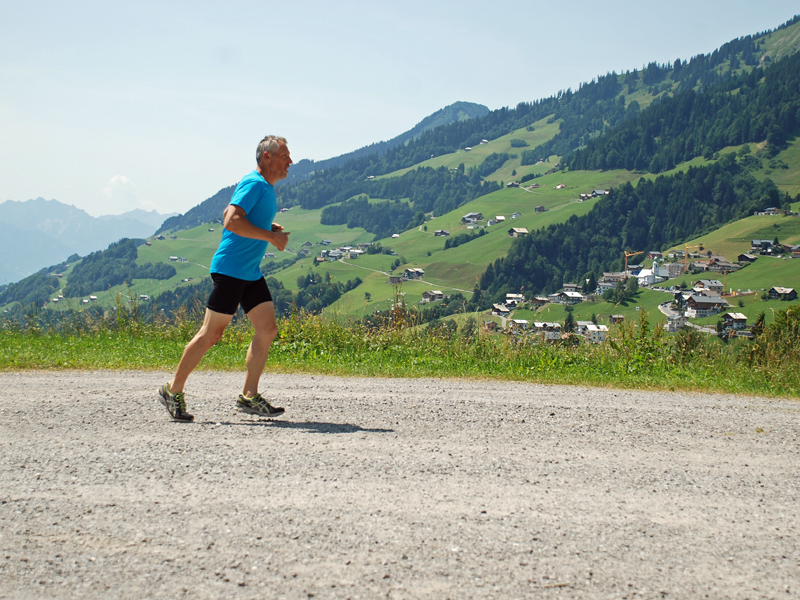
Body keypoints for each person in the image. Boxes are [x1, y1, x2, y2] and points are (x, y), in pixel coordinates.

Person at [158, 135, 292, 422]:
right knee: (211, 334)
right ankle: (172, 390)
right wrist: (270, 236)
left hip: (249, 271)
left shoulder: (264, 187)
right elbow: (230, 220)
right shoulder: (254, 183)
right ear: (267, 157)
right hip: (231, 269)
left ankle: (249, 395)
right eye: (284, 156)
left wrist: (265, 225)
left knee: (267, 330)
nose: (290, 161)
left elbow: (229, 211)